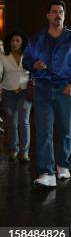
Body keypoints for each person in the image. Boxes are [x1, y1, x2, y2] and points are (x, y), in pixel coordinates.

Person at [23, 1, 71, 188]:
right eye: (54, 12)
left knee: (66, 129)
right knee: (44, 130)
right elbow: (27, 58)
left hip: (65, 89)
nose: (58, 14)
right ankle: (46, 172)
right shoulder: (38, 38)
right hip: (42, 88)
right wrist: (33, 64)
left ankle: (62, 164)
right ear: (48, 16)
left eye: (61, 12)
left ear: (64, 16)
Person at [0, 31, 32, 162]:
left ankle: (24, 152)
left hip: (25, 92)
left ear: (22, 42)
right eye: (13, 40)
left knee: (24, 122)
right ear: (9, 42)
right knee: (12, 123)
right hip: (8, 92)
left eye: (18, 40)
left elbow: (35, 70)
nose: (15, 43)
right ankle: (14, 149)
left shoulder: (29, 55)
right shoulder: (3, 55)